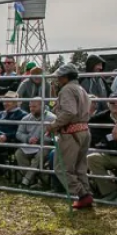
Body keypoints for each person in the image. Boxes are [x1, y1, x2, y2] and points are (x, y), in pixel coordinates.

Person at [47, 64, 93, 209]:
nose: (58, 79)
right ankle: (86, 194)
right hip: (84, 130)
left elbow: (69, 112)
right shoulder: (81, 89)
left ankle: (82, 195)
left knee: (61, 168)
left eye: (60, 77)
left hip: (71, 132)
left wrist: (54, 125)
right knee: (80, 167)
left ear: (65, 77)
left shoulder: (67, 90)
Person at [14, 99, 56, 188]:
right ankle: (32, 182)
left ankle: (26, 180)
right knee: (19, 153)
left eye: (34, 107)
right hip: (30, 145)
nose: (31, 109)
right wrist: (28, 139)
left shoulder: (52, 118)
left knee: (40, 155)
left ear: (42, 106)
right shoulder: (26, 118)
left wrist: (41, 139)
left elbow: (55, 136)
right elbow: (18, 133)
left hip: (46, 145)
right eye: (30, 106)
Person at [87, 98, 117, 201]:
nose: (115, 104)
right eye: (112, 102)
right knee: (92, 158)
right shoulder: (98, 119)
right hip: (109, 154)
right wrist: (112, 137)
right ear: (108, 104)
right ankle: (110, 191)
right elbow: (98, 142)